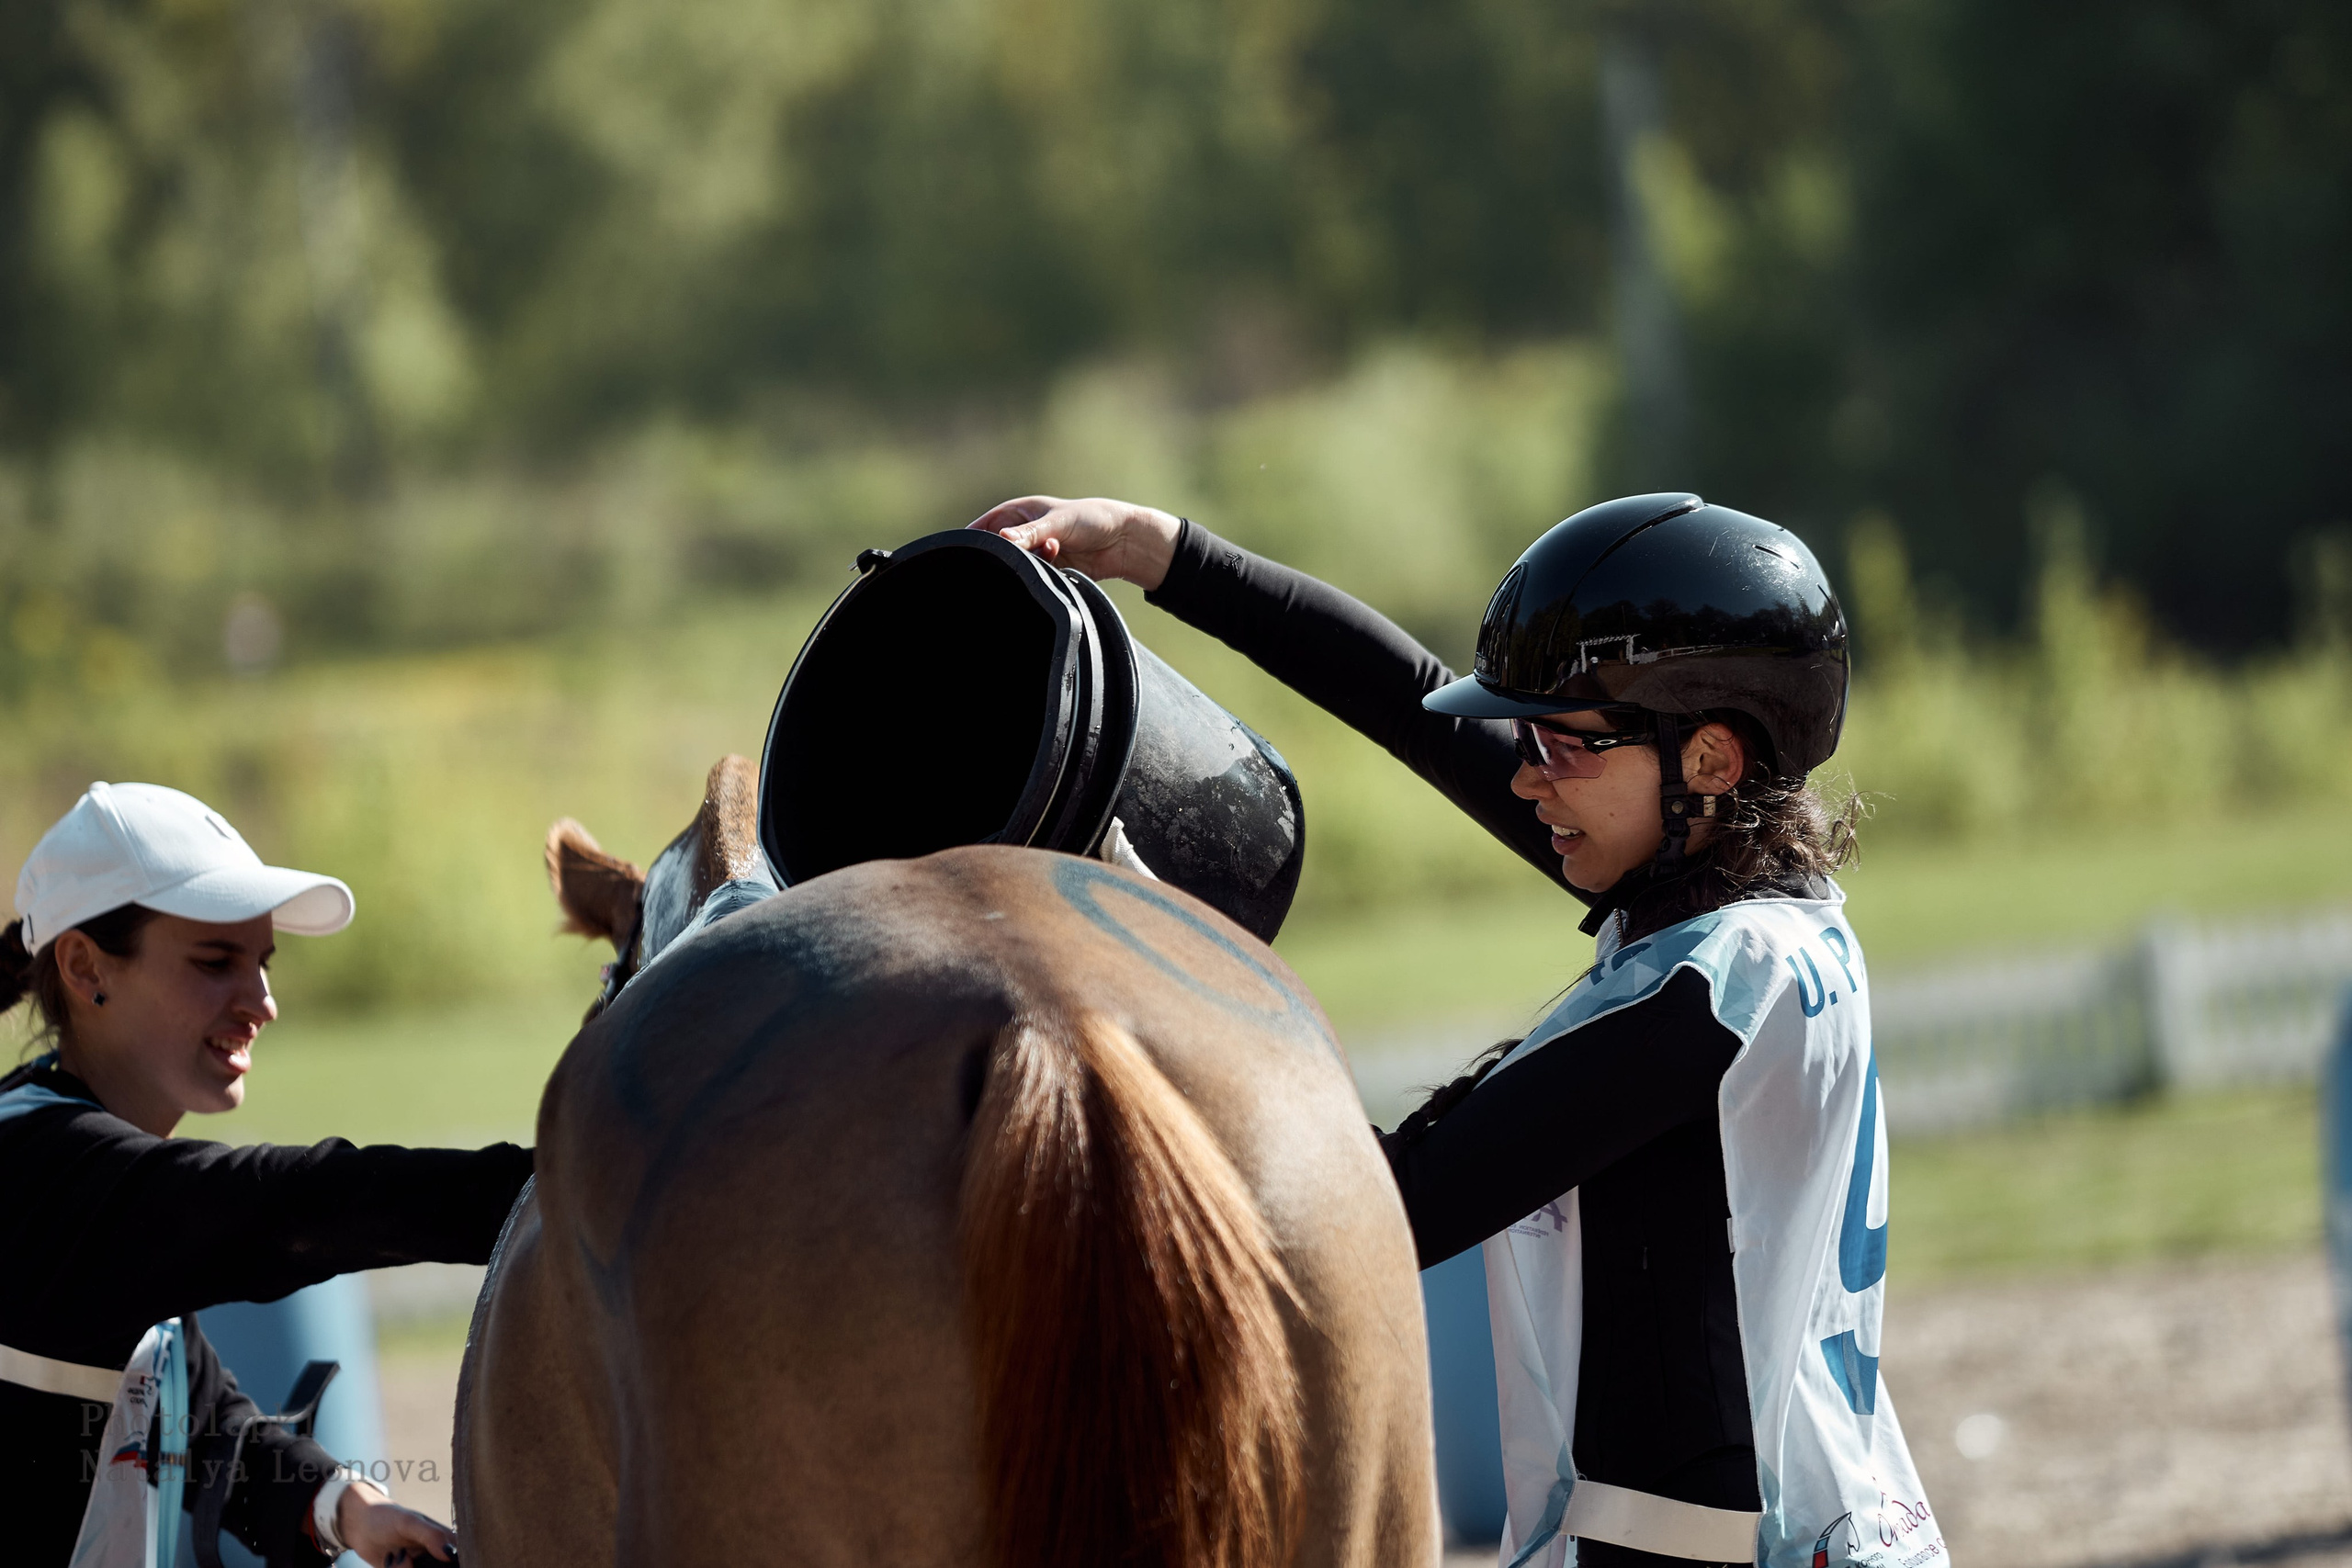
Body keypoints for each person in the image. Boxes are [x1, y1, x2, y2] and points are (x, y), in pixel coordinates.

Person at [970, 493, 1944, 1568]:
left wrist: (1152, 946)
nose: (1525, 776)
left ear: (1711, 762)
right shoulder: (1760, 916)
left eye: (1562, 747)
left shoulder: (1704, 990)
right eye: (1524, 739)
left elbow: (1380, 1208)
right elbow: (1414, 704)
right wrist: (1167, 554)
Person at [1, 782, 535, 1568]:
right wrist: (568, 1188)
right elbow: (289, 1207)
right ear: (84, 967)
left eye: (262, 963)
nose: (263, 1001)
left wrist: (343, 1508)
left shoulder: (80, 1179)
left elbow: (189, 1411)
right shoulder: (37, 1170)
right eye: (217, 962)